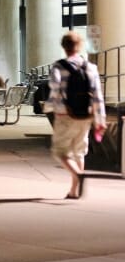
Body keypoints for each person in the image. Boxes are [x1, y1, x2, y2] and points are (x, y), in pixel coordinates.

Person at [45, 32, 106, 199]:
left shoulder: (59, 67)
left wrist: (50, 106)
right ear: (79, 46)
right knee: (79, 152)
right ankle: (73, 190)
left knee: (60, 152)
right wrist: (101, 119)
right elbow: (98, 95)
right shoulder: (90, 67)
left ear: (64, 47)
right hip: (85, 115)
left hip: (65, 114)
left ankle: (78, 175)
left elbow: (55, 89)